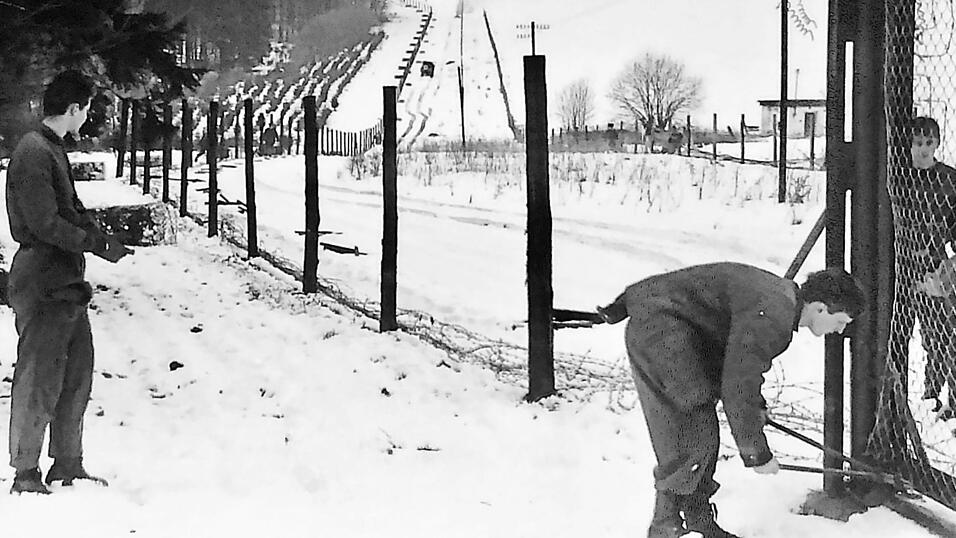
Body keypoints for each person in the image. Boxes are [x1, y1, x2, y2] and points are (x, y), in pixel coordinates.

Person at [596, 263, 865, 538]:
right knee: (691, 434)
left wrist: (755, 410)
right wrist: (756, 452)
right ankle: (666, 527)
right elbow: (739, 384)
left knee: (700, 433)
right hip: (662, 330)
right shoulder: (774, 315)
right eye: (841, 321)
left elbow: (739, 368)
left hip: (671, 327)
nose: (840, 330)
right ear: (820, 307)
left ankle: (697, 520)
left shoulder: (779, 302)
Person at [5, 70, 133, 495]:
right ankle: (25, 473)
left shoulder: (51, 148)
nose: (88, 116)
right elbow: (44, 223)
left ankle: (68, 463)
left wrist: (101, 237)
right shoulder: (33, 152)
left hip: (66, 279)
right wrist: (91, 243)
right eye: (88, 108)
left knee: (77, 372)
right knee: (38, 376)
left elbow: (68, 210)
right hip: (42, 279)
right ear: (74, 109)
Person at [895, 116, 956, 416]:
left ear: (937, 144)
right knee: (896, 333)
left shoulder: (949, 180)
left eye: (928, 143)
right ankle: (894, 395)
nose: (922, 150)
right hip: (896, 267)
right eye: (917, 143)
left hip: (932, 267)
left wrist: (945, 271)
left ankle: (930, 396)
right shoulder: (898, 177)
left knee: (937, 336)